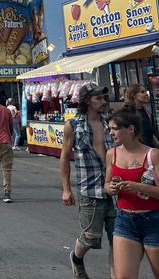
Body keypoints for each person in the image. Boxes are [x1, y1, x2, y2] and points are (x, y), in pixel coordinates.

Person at [105, 110, 159, 279]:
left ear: (130, 129)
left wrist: (138, 187)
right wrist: (112, 188)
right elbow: (107, 184)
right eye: (110, 129)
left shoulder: (153, 154)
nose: (111, 133)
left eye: (115, 128)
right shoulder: (112, 154)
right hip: (124, 221)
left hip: (154, 222)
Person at [60, 84, 116, 279]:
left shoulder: (110, 123)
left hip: (115, 189)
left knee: (118, 239)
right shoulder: (73, 126)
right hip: (90, 190)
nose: (103, 101)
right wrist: (66, 189)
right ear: (86, 101)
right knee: (90, 237)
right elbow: (65, 156)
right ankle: (76, 258)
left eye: (103, 98)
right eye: (98, 98)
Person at [122, 85, 159, 149]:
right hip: (138, 151)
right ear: (133, 96)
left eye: (145, 91)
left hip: (149, 148)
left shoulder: (145, 110)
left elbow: (150, 133)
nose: (146, 94)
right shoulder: (129, 112)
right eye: (142, 92)